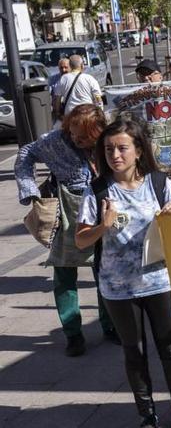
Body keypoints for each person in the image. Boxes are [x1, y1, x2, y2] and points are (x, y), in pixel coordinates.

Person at [74, 118, 171, 428]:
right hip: (118, 288)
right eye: (109, 149)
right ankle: (147, 416)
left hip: (159, 281)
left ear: (139, 150)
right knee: (134, 351)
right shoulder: (98, 190)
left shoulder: (158, 182)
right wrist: (103, 225)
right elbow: (80, 240)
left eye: (122, 148)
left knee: (170, 348)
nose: (115, 155)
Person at [15, 104, 117, 356]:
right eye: (73, 133)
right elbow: (26, 152)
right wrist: (29, 188)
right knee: (64, 275)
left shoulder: (110, 140)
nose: (76, 139)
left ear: (99, 131)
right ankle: (73, 334)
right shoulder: (54, 141)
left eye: (84, 137)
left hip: (102, 207)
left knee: (104, 270)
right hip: (67, 211)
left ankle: (111, 326)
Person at [53, 54, 103, 125]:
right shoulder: (90, 79)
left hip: (70, 116)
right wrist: (100, 112)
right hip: (87, 115)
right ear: (82, 65)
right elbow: (98, 98)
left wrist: (58, 113)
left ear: (70, 65)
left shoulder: (63, 79)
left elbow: (57, 99)